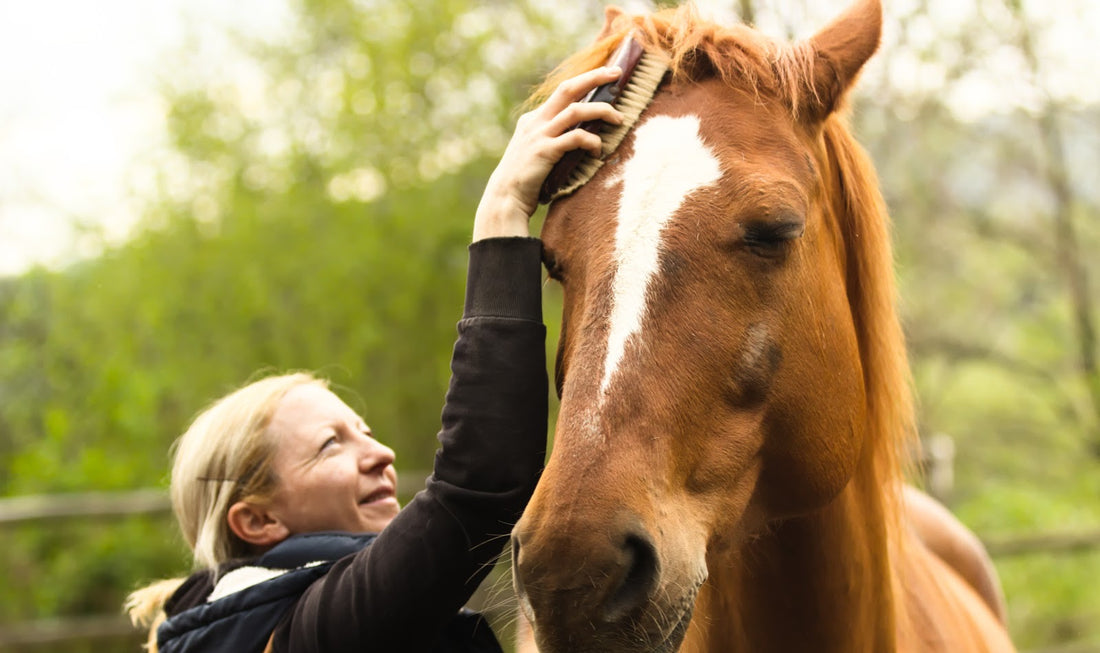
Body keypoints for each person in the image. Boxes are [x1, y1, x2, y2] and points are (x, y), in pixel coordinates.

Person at [126, 65, 625, 653]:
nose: (382, 455)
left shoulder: (250, 624)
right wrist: (501, 214)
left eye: (363, 433)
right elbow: (478, 484)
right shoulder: (298, 634)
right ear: (257, 523)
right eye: (330, 445)